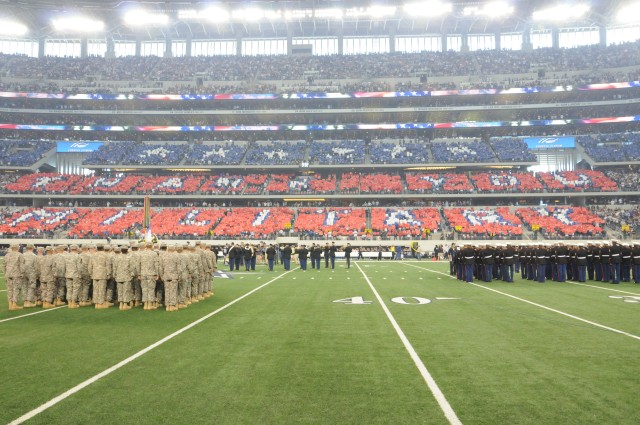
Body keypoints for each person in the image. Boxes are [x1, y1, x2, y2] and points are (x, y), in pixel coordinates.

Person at [88, 243, 111, 309]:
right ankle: (101, 303)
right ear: (103, 248)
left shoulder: (93, 255)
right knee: (102, 289)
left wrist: (90, 273)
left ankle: (96, 303)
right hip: (102, 274)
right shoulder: (106, 255)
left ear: (97, 248)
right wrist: (108, 274)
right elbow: (108, 265)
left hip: (94, 274)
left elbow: (90, 265)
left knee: (95, 289)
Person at [5, 244, 25, 310]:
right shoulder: (20, 255)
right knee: (16, 289)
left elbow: (4, 265)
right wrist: (22, 273)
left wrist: (6, 273)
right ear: (18, 248)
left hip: (8, 274)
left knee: (9, 289)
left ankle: (10, 305)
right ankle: (14, 305)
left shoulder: (7, 255)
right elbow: (21, 265)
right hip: (17, 274)